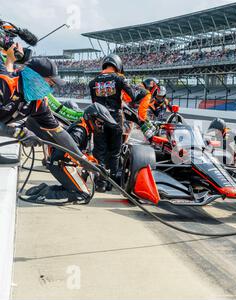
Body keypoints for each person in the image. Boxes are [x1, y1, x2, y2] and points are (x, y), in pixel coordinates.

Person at [0, 44, 84, 159]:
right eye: (50, 83)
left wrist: (81, 158)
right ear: (35, 77)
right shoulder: (5, 83)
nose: (50, 88)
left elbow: (58, 132)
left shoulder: (38, 103)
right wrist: (19, 132)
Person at [25, 103, 118, 204]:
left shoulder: (84, 128)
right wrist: (89, 165)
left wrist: (94, 164)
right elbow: (69, 151)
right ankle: (44, 196)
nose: (101, 127)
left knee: (72, 189)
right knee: (83, 195)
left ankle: (44, 190)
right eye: (99, 123)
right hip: (62, 164)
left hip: (60, 163)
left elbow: (79, 152)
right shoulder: (80, 131)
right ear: (90, 118)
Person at [88, 54, 136, 192]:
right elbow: (132, 96)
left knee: (99, 151)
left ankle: (100, 183)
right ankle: (112, 182)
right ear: (118, 65)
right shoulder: (120, 78)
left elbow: (94, 103)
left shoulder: (93, 82)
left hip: (98, 120)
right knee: (114, 152)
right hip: (115, 118)